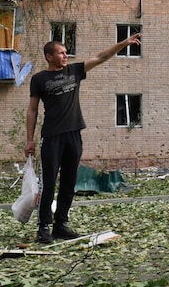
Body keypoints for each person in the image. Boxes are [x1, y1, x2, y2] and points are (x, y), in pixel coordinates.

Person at [26, 34, 141, 244]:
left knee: (69, 182)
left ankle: (60, 224)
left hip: (74, 135)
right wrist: (29, 140)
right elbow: (32, 110)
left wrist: (123, 44)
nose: (65, 55)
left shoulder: (74, 71)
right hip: (51, 137)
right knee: (49, 184)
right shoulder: (39, 79)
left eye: (65, 52)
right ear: (48, 56)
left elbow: (101, 57)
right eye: (60, 53)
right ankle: (43, 227)